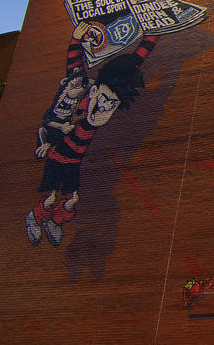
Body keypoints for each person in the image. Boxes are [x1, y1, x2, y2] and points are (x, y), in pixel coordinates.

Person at [25, 24, 156, 247]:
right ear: (94, 91)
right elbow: (74, 70)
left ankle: (55, 221)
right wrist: (76, 39)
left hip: (74, 161)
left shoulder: (104, 111)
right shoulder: (81, 99)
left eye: (111, 104)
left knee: (73, 198)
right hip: (58, 156)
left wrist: (155, 29)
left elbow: (135, 62)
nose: (105, 107)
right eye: (104, 100)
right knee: (51, 196)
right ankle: (35, 218)